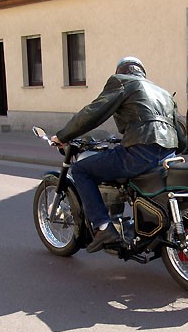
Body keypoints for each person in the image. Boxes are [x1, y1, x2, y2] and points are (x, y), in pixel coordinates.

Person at [51, 56, 179, 253]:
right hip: (168, 153)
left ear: (121, 71)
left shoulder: (122, 81)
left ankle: (103, 227)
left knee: (81, 170)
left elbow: (94, 112)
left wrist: (63, 135)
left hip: (140, 152)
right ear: (142, 71)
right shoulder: (162, 92)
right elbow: (181, 134)